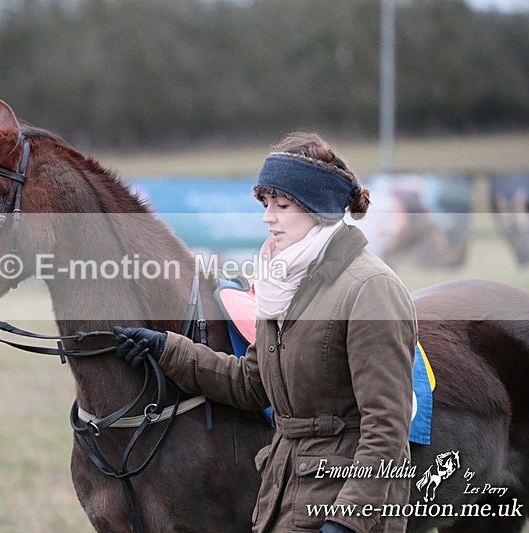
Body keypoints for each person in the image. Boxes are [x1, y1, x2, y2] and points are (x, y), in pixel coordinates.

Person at [115, 132, 417, 533]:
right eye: (265, 204)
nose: (267, 217)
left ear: (318, 209)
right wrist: (169, 350)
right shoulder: (282, 284)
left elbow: (387, 427)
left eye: (282, 204)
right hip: (284, 495)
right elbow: (253, 384)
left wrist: (348, 520)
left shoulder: (370, 288)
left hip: (341, 509)